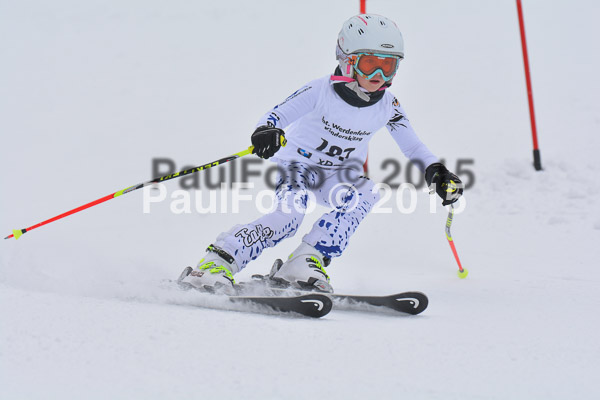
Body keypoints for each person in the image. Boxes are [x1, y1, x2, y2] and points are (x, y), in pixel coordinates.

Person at [179, 14, 463, 293]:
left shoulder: (389, 106)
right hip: (299, 167)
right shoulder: (321, 90)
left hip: (337, 175)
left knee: (367, 192)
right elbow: (275, 116)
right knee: (289, 216)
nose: (378, 76)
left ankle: (304, 261)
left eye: (388, 66)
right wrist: (267, 132)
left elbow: (412, 146)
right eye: (369, 64)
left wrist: (436, 172)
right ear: (347, 60)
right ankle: (217, 262)